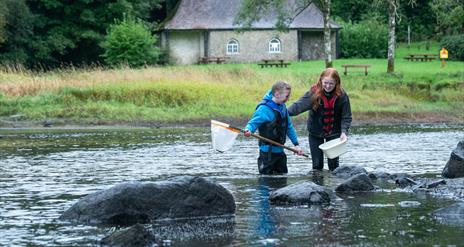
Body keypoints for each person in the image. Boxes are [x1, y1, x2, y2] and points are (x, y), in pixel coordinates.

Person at [288, 68, 352, 171]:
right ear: (321, 80)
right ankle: (317, 186)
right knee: (317, 165)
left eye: (331, 84)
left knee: (334, 166)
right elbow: (298, 106)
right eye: (325, 83)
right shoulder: (313, 93)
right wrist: (282, 112)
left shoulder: (342, 95)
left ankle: (333, 186)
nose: (327, 86)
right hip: (315, 133)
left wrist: (344, 132)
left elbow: (346, 116)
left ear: (337, 82)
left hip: (334, 133)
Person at [244, 80, 303, 175]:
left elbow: (289, 127)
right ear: (277, 94)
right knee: (266, 181)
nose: (288, 99)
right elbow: (252, 123)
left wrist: (296, 145)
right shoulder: (264, 109)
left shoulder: (283, 108)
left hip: (280, 153)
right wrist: (248, 130)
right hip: (267, 154)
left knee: (282, 180)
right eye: (286, 96)